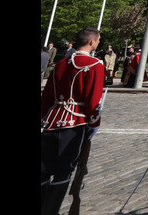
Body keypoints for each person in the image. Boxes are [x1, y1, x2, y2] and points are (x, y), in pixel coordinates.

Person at [41, 27, 104, 215]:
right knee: (64, 169)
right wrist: (94, 123)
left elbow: (47, 97)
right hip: (75, 122)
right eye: (98, 40)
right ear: (92, 42)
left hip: (51, 121)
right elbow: (93, 100)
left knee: (44, 168)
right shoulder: (94, 65)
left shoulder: (61, 64)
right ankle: (50, 210)